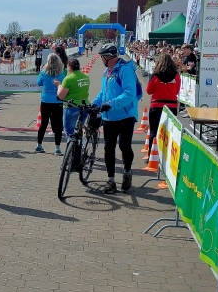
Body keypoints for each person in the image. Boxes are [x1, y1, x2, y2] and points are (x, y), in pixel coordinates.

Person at [92, 44, 139, 194]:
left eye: (101, 57)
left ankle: (127, 172)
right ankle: (111, 180)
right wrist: (94, 103)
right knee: (108, 148)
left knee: (124, 146)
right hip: (109, 117)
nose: (101, 60)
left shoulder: (125, 70)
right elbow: (103, 93)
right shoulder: (107, 71)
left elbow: (129, 93)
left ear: (107, 57)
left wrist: (111, 104)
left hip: (126, 115)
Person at [145, 53, 180, 151]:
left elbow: (149, 91)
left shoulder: (155, 75)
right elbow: (176, 91)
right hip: (172, 106)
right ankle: (167, 154)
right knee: (170, 132)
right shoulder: (176, 75)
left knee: (153, 131)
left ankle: (151, 154)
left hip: (156, 105)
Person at [36, 53, 66, 155]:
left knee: (43, 123)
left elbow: (39, 83)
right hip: (58, 100)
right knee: (58, 124)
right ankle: (57, 148)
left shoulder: (44, 72)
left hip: (45, 100)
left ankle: (39, 145)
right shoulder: (62, 72)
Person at [56, 58, 90, 141]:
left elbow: (61, 96)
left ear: (70, 67)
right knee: (79, 130)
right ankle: (80, 145)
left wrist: (59, 85)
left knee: (70, 133)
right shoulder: (86, 77)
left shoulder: (68, 79)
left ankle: (71, 148)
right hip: (84, 106)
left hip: (72, 107)